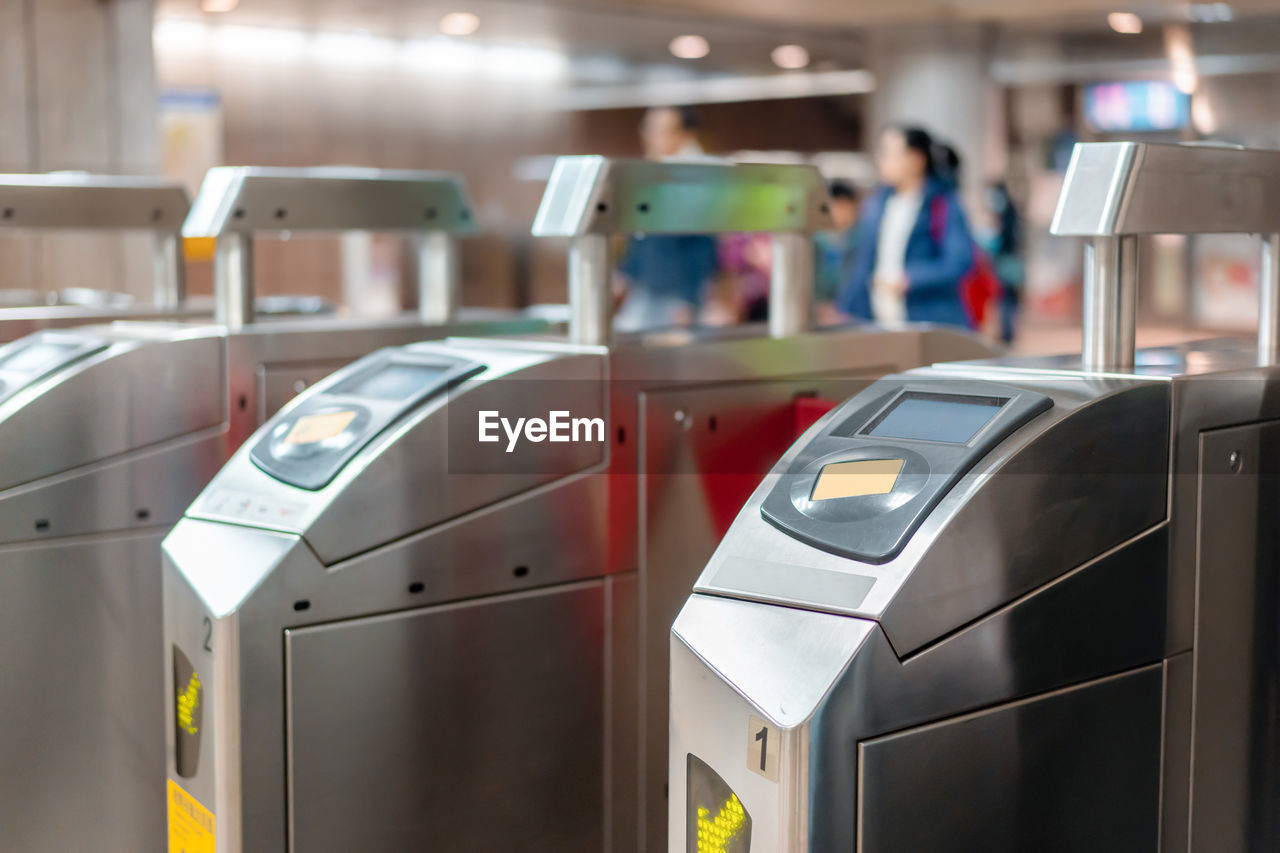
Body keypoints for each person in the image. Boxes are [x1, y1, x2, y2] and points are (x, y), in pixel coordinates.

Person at [838, 125, 974, 328]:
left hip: (928, 319)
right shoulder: (877, 202)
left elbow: (960, 261)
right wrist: (845, 307)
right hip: (880, 318)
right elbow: (864, 262)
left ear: (916, 159)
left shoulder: (942, 203)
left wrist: (909, 279)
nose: (882, 160)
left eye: (890, 153)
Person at [614, 106, 720, 331]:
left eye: (661, 130)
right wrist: (625, 274)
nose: (652, 137)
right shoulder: (652, 172)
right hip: (646, 285)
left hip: (677, 291)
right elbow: (641, 237)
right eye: (648, 129)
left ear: (684, 135)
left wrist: (688, 299)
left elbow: (700, 244)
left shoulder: (693, 177)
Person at [976, 182, 1025, 344]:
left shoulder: (1008, 213)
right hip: (1005, 261)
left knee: (1007, 298)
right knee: (1004, 298)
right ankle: (1006, 332)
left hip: (1007, 262)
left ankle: (1007, 334)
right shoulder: (1006, 212)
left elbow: (1004, 240)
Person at [814, 181, 861, 324]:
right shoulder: (816, 242)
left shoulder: (862, 242)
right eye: (834, 206)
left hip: (854, 315)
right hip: (820, 315)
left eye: (844, 206)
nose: (839, 213)